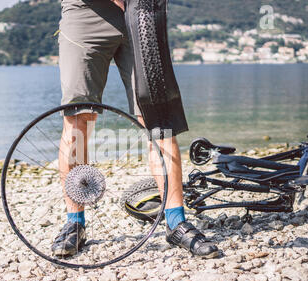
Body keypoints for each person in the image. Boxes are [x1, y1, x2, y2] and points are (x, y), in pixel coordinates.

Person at [51, 0, 219, 259]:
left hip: (140, 12)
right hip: (85, 13)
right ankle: (75, 223)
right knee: (78, 120)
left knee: (158, 119)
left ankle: (176, 222)